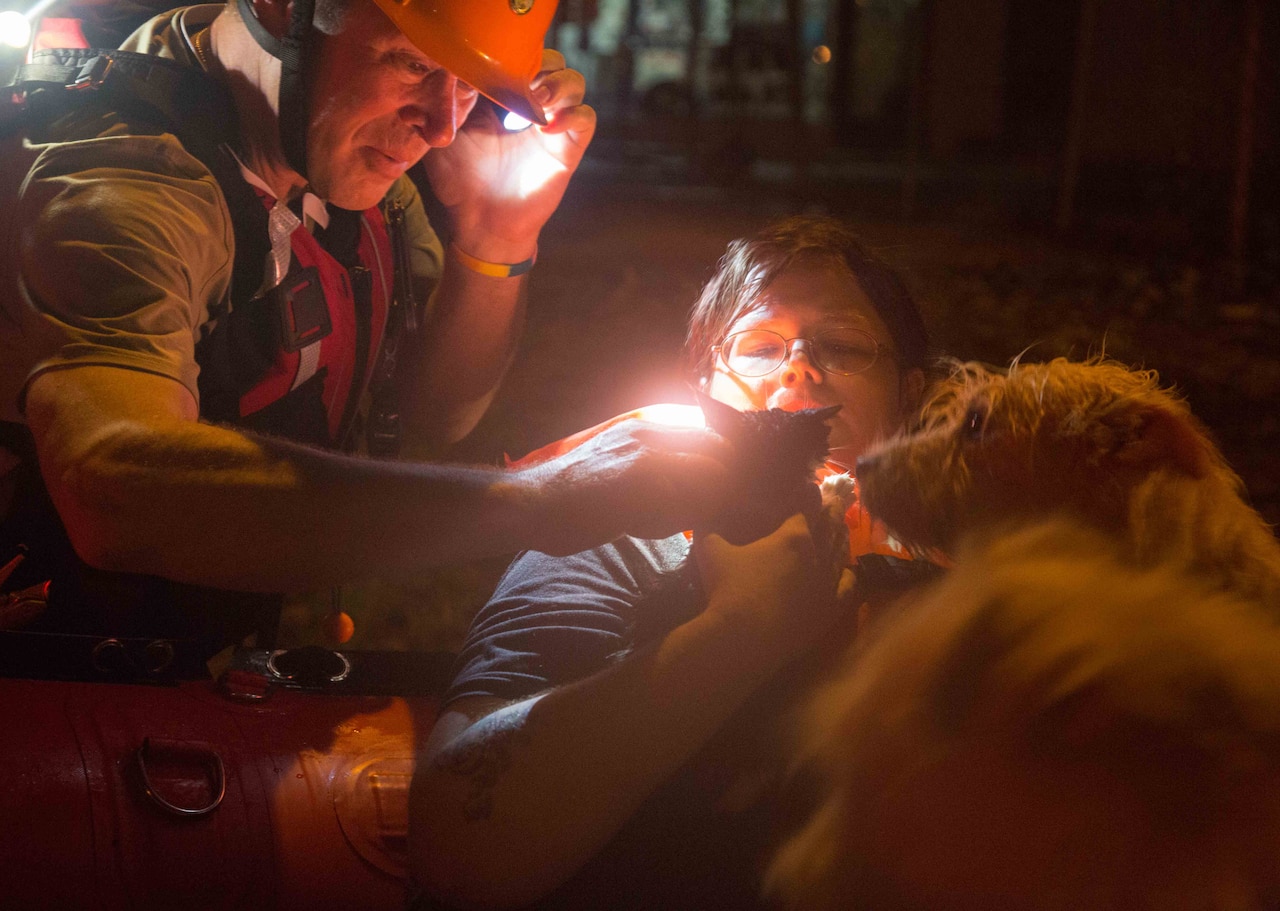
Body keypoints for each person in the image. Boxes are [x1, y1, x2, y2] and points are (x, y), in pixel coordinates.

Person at [0, 0, 733, 660]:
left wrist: (495, 237)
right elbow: (113, 492)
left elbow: (434, 413)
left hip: (186, 675)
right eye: (414, 63)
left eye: (471, 84)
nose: (444, 125)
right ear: (283, 10)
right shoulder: (123, 178)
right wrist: (532, 504)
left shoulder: (338, 157)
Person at [410, 215, 937, 910]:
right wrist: (743, 627)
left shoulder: (960, 575)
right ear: (702, 390)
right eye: (759, 345)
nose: (799, 367)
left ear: (911, 397)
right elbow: (454, 843)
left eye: (841, 345)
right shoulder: (609, 541)